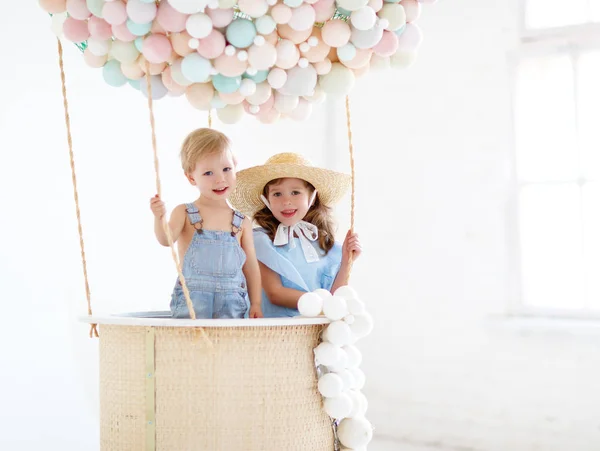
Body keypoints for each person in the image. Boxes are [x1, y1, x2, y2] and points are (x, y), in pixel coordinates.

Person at [229, 153, 361, 317]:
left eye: (295, 192)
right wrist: (323, 305)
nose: (286, 201)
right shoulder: (260, 242)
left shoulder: (324, 244)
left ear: (312, 196)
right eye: (277, 194)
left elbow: (335, 295)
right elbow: (275, 293)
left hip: (314, 332)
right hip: (279, 332)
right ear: (267, 200)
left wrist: (347, 262)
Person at [150, 128, 262, 319]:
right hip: (193, 302)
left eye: (226, 169)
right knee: (190, 345)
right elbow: (165, 240)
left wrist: (256, 303)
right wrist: (159, 218)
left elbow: (250, 266)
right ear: (192, 178)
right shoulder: (184, 212)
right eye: (208, 172)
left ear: (235, 167)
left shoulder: (242, 222)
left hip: (231, 303)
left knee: (228, 345)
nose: (220, 179)